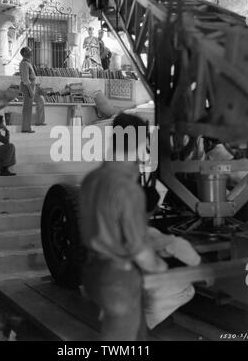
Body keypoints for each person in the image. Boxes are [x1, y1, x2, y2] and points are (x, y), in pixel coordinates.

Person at [79, 113, 168, 341]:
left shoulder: (91, 179)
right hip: (118, 277)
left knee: (135, 334)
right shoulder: (128, 190)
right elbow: (139, 251)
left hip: (92, 270)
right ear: (140, 145)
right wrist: (159, 267)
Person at [19, 47, 46, 133]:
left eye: (31, 51)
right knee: (27, 108)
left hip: (33, 87)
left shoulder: (28, 63)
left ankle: (39, 121)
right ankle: (26, 128)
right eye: (29, 52)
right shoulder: (24, 64)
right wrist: (30, 91)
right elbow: (25, 80)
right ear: (24, 53)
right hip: (28, 88)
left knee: (40, 100)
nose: (31, 53)